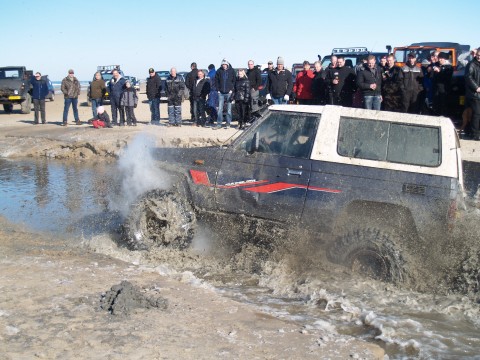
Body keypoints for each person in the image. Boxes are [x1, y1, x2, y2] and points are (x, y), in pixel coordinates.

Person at [215, 59, 236, 129]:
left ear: (227, 64)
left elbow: (234, 81)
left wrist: (231, 89)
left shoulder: (232, 71)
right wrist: (218, 89)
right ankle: (219, 124)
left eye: (225, 64)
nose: (224, 65)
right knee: (220, 109)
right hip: (220, 93)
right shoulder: (219, 71)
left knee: (229, 109)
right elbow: (216, 81)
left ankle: (228, 123)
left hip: (229, 93)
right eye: (223, 64)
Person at [431, 52, 453, 117]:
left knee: (443, 106)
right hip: (436, 89)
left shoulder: (449, 67)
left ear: (445, 59)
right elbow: (432, 76)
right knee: (435, 106)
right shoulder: (436, 65)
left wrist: (440, 71)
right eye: (439, 58)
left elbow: (447, 78)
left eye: (441, 58)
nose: (440, 60)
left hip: (444, 90)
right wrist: (431, 70)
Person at [465, 48, 480, 140]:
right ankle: (474, 134)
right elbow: (468, 77)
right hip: (474, 94)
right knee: (476, 114)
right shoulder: (471, 64)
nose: (479, 56)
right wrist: (476, 87)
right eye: (478, 54)